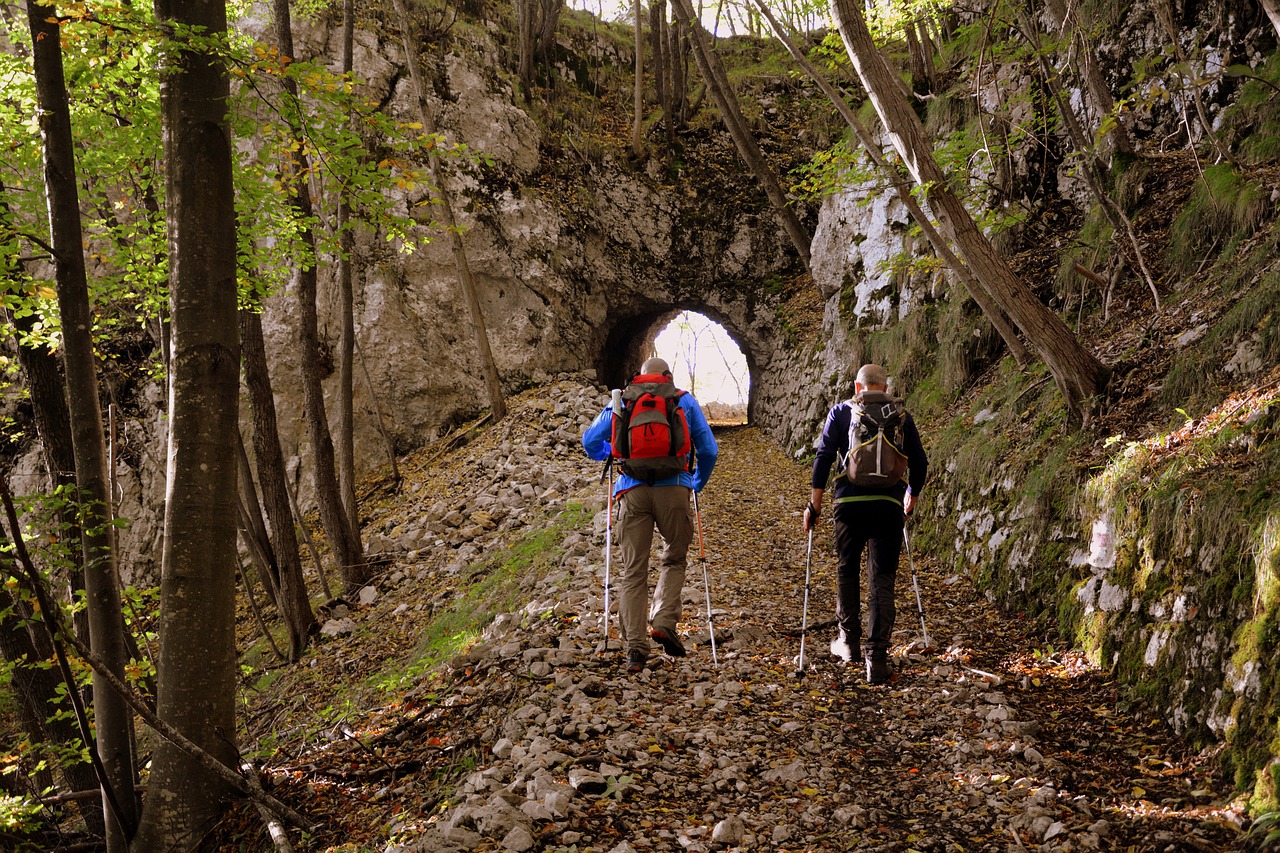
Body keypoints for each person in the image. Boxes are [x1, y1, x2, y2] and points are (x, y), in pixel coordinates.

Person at [582, 356, 718, 673]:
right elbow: (709, 449)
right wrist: (695, 482)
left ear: (640, 377)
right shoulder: (683, 400)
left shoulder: (622, 400)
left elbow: (590, 441)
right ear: (667, 376)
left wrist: (613, 453)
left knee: (633, 570)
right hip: (674, 489)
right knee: (674, 557)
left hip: (631, 491)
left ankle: (635, 650)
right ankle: (663, 620)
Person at [803, 363, 928, 685]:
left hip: (848, 504)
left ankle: (849, 643)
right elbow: (920, 461)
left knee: (847, 570)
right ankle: (878, 659)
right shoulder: (900, 416)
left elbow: (824, 457)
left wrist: (814, 505)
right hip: (888, 504)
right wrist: (911, 495)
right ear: (885, 388)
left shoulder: (842, 411)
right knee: (882, 579)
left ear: (858, 388)